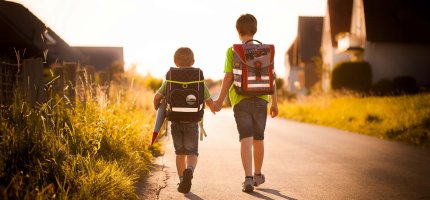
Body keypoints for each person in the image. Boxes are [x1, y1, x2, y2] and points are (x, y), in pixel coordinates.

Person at [213, 13, 278, 193]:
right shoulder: (266, 51)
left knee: (246, 139)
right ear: (255, 30)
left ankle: (248, 179)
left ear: (238, 31)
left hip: (240, 100)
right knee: (259, 139)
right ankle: (258, 175)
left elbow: (228, 77)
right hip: (262, 99)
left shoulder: (233, 50)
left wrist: (219, 100)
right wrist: (275, 103)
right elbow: (272, 77)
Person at [153, 47, 215, 193]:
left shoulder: (170, 77)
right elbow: (209, 100)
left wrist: (158, 108)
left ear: (175, 62)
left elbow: (157, 97)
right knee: (192, 153)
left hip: (175, 121)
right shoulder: (198, 77)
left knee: (180, 154)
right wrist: (214, 107)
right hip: (192, 121)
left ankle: (182, 180)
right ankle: (190, 171)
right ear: (193, 61)